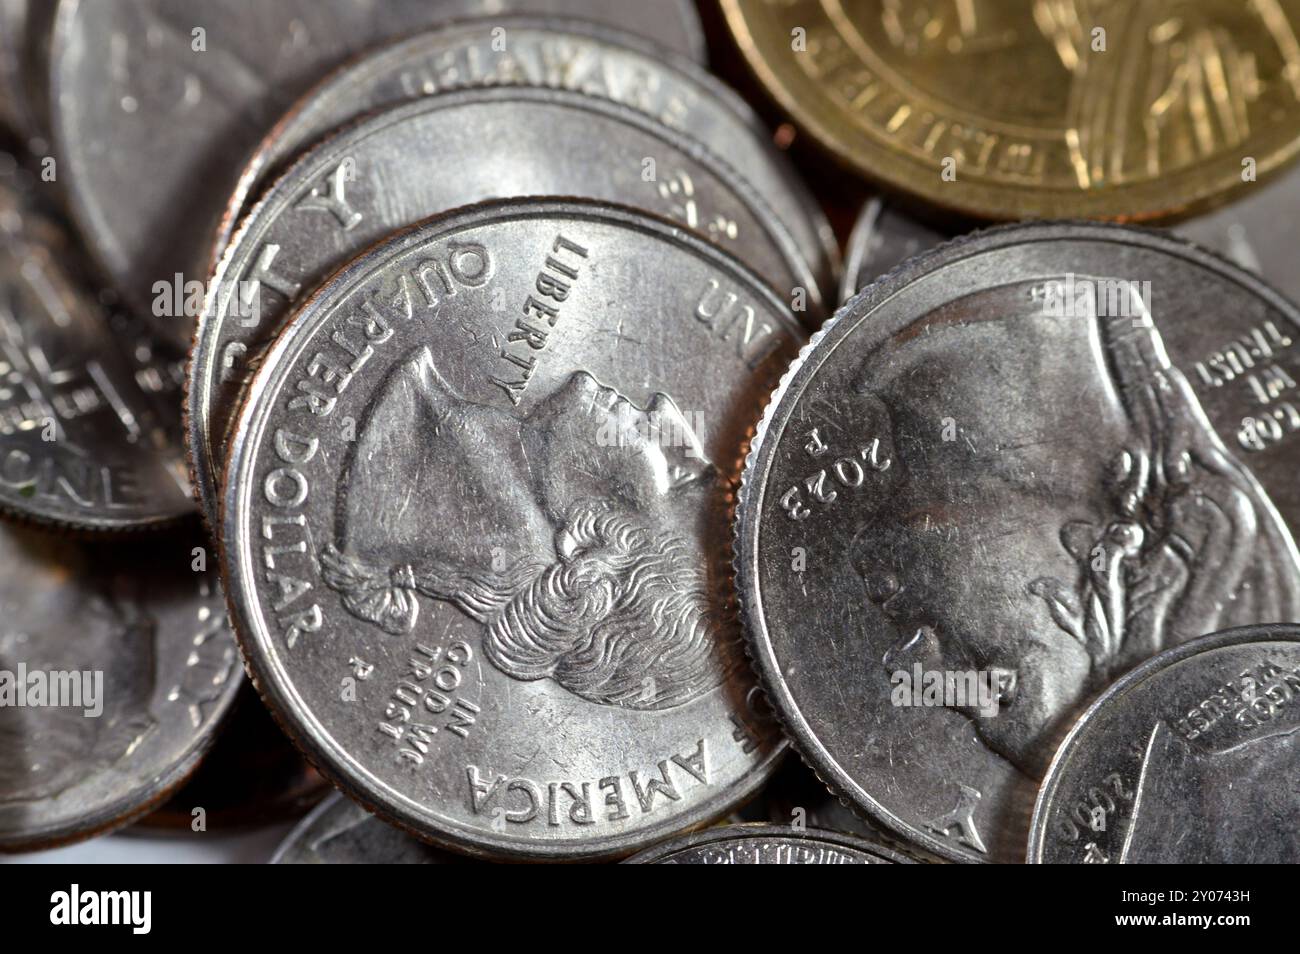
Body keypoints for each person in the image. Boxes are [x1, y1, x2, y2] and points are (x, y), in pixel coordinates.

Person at [320, 346, 739, 712]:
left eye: (680, 479)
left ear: (598, 547)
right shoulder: (400, 429)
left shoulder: (386, 476)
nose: (668, 413)